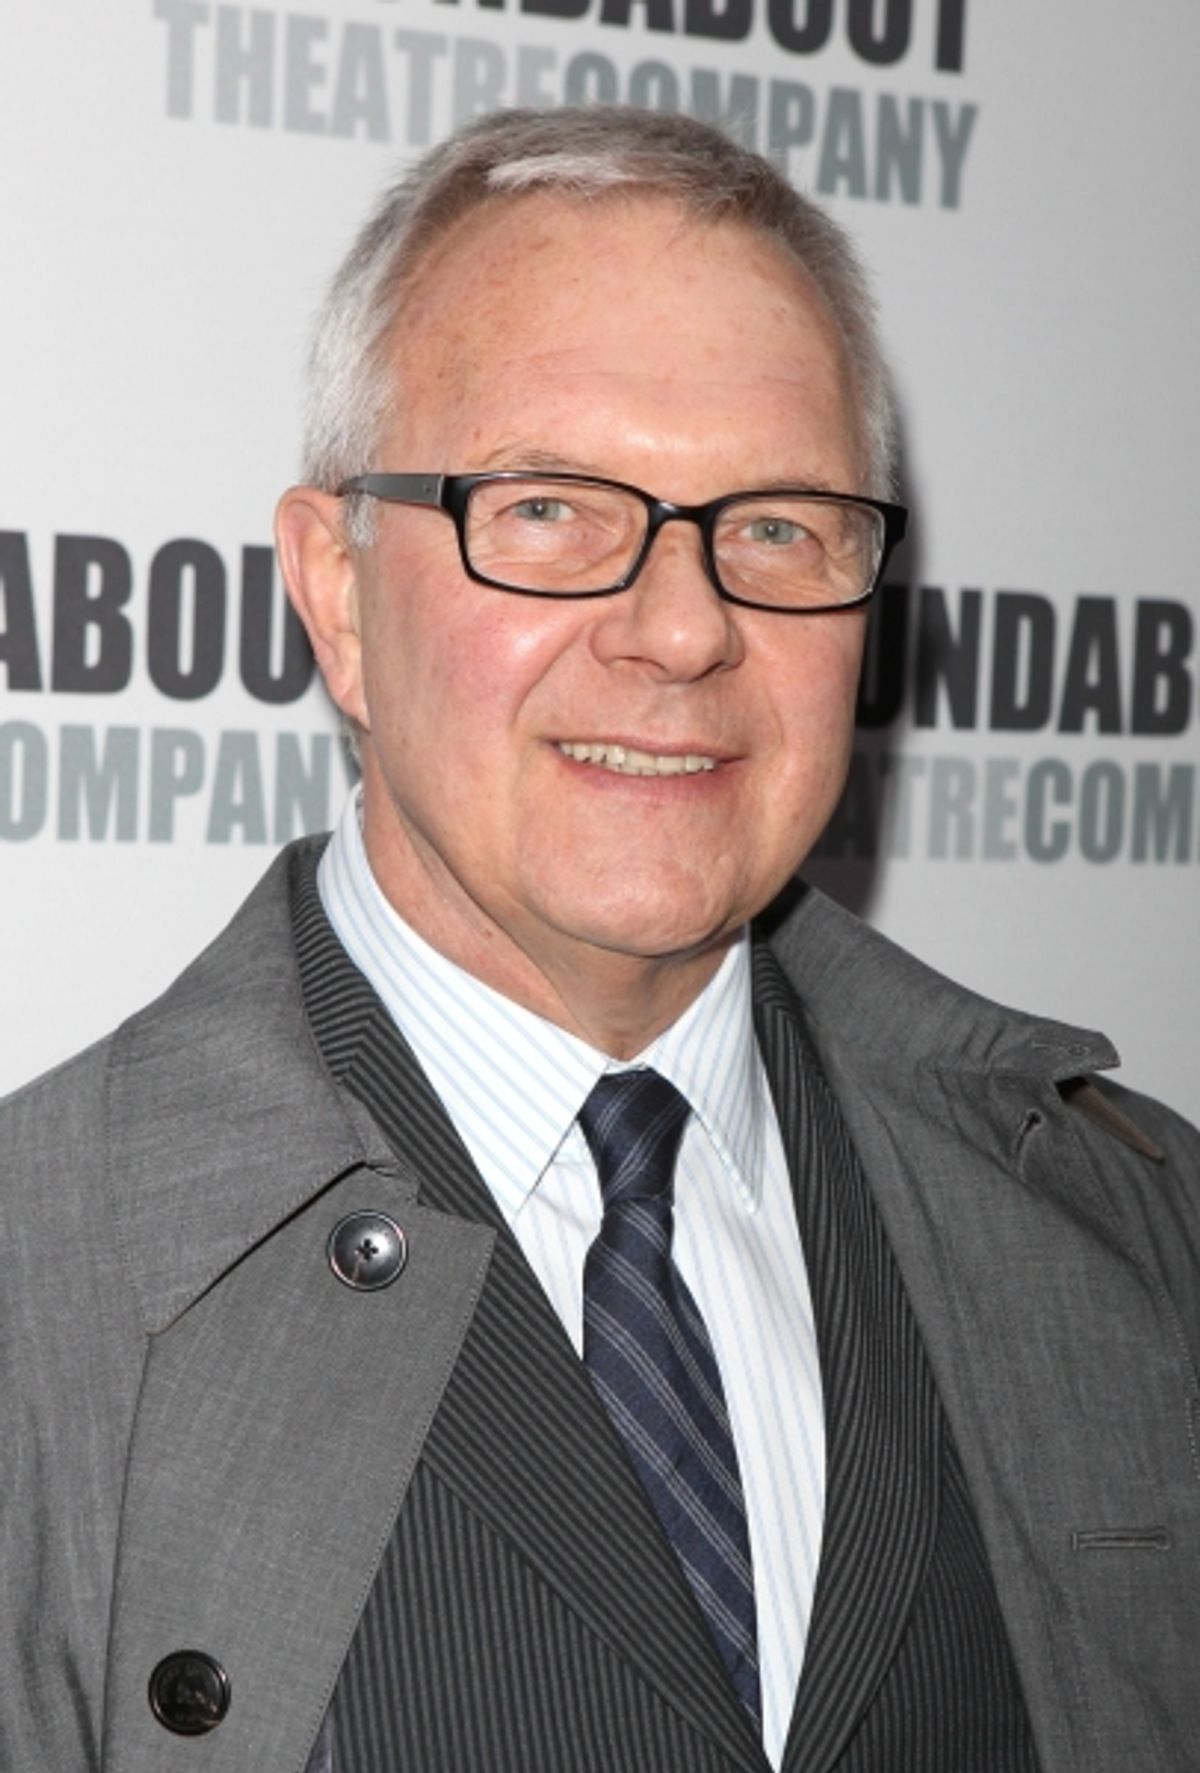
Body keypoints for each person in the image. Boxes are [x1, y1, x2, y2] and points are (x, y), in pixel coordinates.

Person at [2, 106, 1197, 1773]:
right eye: (552, 508)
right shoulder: (34, 1297)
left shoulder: (1132, 1222)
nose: (689, 627)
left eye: (780, 524)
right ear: (336, 592)